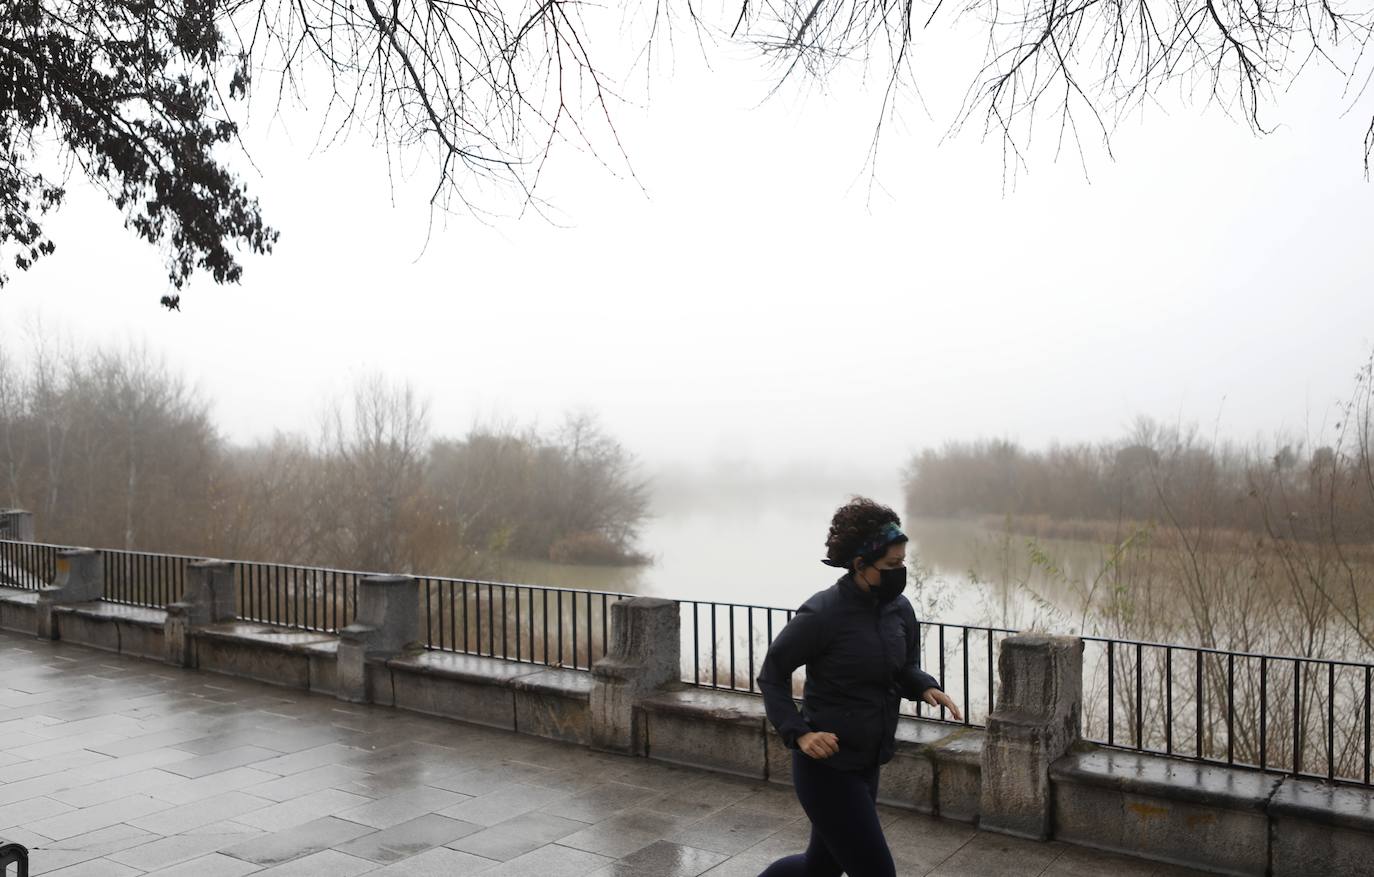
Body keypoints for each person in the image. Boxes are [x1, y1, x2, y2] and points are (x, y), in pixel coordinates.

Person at [757, 497, 962, 877]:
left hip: (869, 760)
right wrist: (799, 734)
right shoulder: (822, 615)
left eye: (903, 562)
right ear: (860, 565)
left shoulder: (899, 609)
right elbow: (771, 675)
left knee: (818, 869)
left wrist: (923, 687)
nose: (900, 571)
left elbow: (902, 668)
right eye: (891, 565)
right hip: (826, 768)